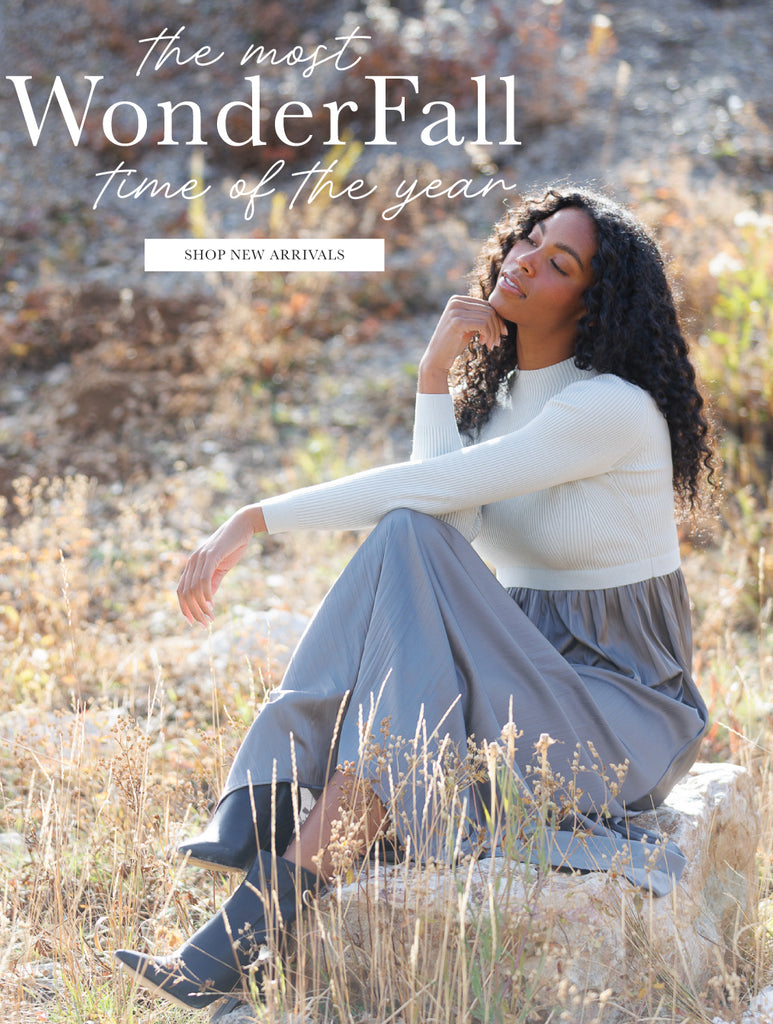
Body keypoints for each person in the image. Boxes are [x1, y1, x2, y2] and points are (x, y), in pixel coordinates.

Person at [115, 186, 714, 1011]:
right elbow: (445, 516)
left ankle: (247, 900)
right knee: (409, 579)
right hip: (525, 674)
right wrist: (435, 375)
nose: (526, 261)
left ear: (594, 300)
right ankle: (241, 941)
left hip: (615, 712)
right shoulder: (503, 403)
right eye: (528, 241)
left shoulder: (605, 409)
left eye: (559, 262)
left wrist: (255, 518)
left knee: (404, 536)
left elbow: (429, 495)